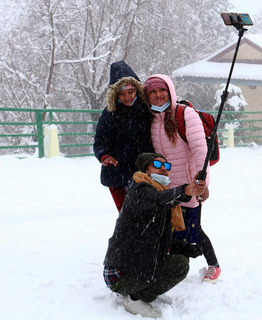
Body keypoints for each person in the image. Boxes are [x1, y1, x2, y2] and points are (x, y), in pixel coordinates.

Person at [103, 153, 206, 318]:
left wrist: (187, 248)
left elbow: (159, 237)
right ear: (146, 170)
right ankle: (136, 298)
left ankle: (135, 288)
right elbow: (158, 199)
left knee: (180, 259)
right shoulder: (140, 191)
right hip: (119, 273)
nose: (164, 169)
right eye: (157, 164)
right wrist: (185, 191)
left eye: (167, 166)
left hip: (130, 264)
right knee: (179, 266)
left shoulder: (154, 193)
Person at [144, 74, 222, 284]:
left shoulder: (185, 114)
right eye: (153, 91)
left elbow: (200, 150)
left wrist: (202, 182)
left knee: (193, 229)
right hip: (167, 187)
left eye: (162, 90)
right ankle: (175, 266)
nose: (158, 95)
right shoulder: (151, 119)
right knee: (171, 227)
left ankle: (213, 265)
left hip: (189, 184)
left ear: (170, 91)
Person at [94, 61, 154, 212]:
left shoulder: (146, 110)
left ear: (137, 89)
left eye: (130, 91)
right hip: (117, 174)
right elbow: (100, 141)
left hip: (144, 173)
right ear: (115, 94)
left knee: (147, 214)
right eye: (121, 93)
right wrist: (104, 156)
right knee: (126, 216)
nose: (127, 97)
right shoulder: (109, 114)